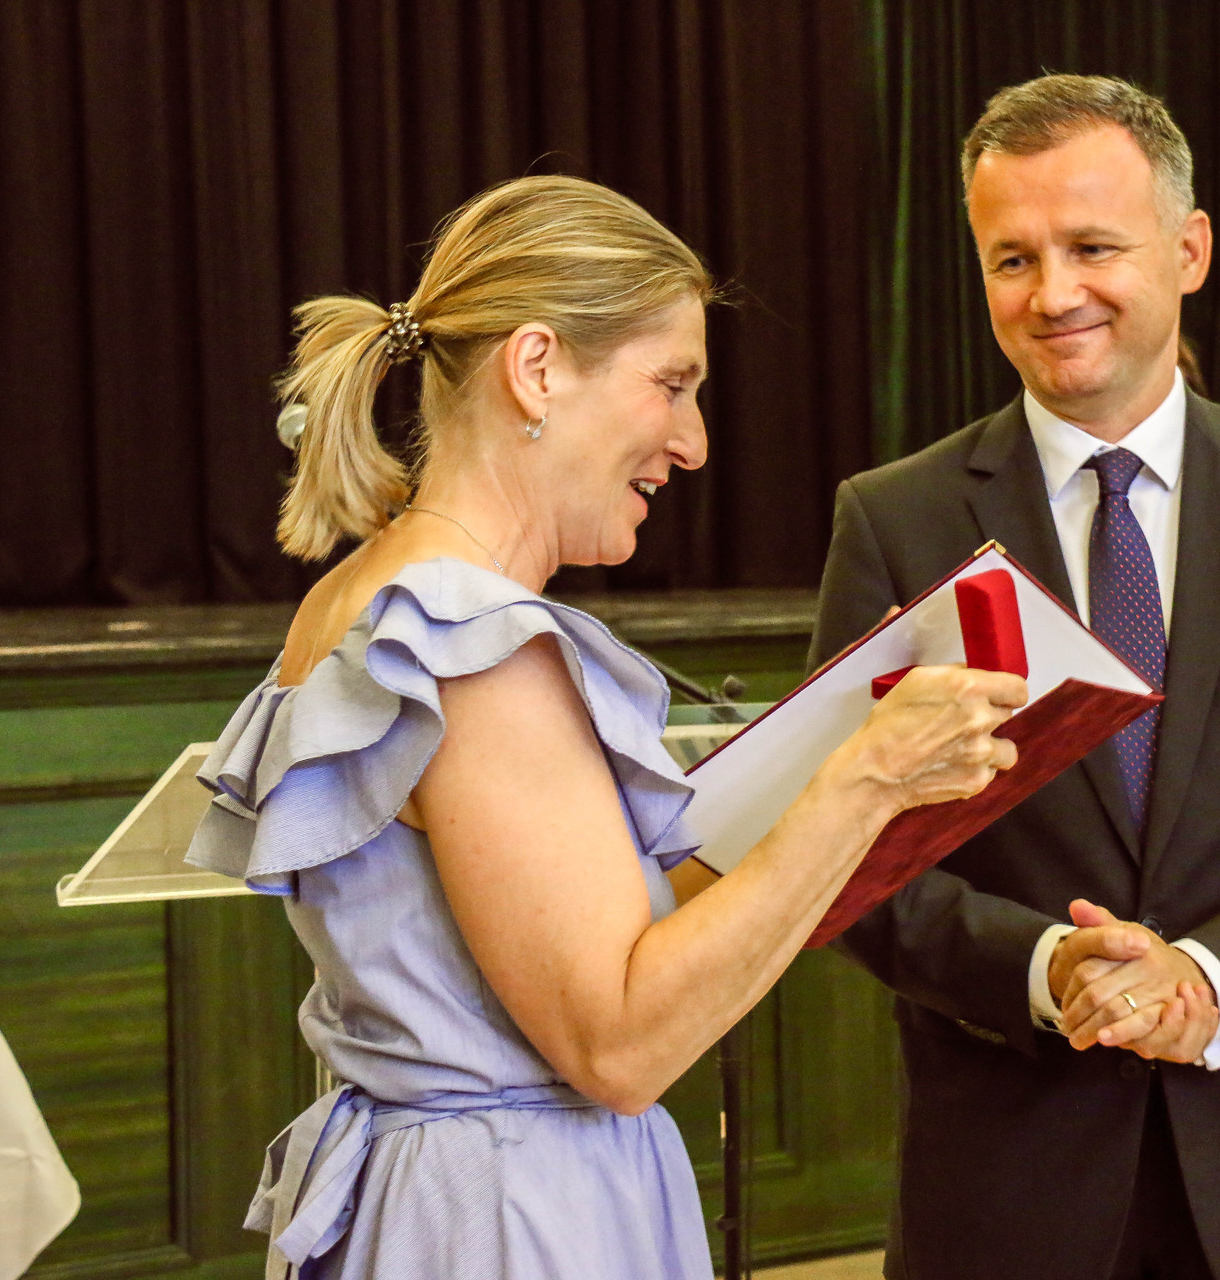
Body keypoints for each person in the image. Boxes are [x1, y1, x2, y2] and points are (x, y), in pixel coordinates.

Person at [184, 174, 1026, 1280]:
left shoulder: (365, 595)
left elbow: (558, 936)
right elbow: (619, 1045)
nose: (695, 442)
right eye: (671, 384)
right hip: (512, 1219)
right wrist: (865, 780)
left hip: (439, 1195)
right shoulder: (474, 644)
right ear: (537, 368)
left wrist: (830, 788)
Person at [808, 76, 1220, 1280]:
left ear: (1189, 249)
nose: (1053, 294)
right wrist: (1046, 967)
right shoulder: (897, 523)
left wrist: (1208, 979)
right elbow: (846, 855)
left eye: (1093, 247)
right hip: (1006, 1193)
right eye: (1013, 259)